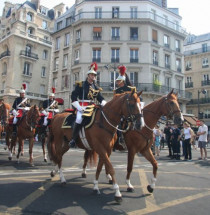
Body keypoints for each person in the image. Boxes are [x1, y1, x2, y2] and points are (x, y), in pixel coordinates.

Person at [69, 62, 107, 148]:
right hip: (82, 106)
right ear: (88, 75)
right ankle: (73, 139)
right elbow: (73, 96)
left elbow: (100, 98)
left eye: (94, 75)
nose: (93, 76)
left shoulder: (95, 87)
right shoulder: (81, 85)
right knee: (78, 119)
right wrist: (78, 107)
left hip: (92, 107)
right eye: (92, 75)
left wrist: (105, 104)